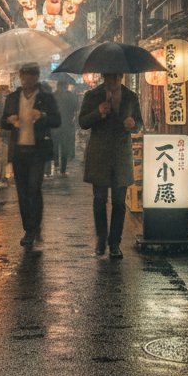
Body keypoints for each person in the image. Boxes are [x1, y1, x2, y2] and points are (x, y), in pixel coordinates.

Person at [78, 72, 142, 259]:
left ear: (121, 77)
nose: (113, 82)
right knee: (99, 199)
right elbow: (82, 122)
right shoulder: (92, 96)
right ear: (104, 78)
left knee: (119, 202)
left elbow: (139, 123)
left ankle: (115, 243)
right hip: (100, 154)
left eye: (116, 78)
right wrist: (98, 113)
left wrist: (133, 124)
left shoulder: (131, 96)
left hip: (121, 154)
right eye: (109, 78)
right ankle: (101, 239)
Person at [0, 63, 61, 248]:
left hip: (37, 151)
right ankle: (29, 227)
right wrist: (10, 121)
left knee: (34, 188)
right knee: (23, 192)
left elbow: (57, 120)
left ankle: (33, 228)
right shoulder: (12, 98)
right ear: (20, 76)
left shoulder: (45, 97)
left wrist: (42, 115)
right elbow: (3, 121)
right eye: (25, 76)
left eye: (32, 75)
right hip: (19, 151)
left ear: (37, 77)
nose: (28, 79)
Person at [53, 80, 80, 176]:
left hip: (55, 126)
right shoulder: (71, 96)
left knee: (55, 145)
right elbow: (76, 108)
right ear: (66, 86)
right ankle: (63, 169)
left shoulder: (53, 95)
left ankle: (56, 164)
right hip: (67, 125)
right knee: (64, 147)